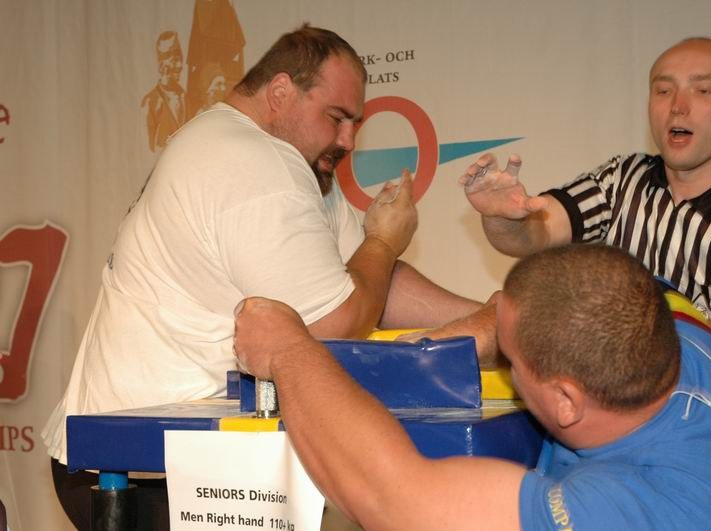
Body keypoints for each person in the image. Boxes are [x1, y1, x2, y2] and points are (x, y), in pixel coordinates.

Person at [43, 24, 482, 530]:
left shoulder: (282, 157)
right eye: (337, 118)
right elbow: (333, 323)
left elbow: (365, 281)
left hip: (174, 458)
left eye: (356, 123)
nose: (348, 139)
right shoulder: (251, 160)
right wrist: (384, 241)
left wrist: (489, 314)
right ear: (280, 92)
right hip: (135, 467)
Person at [233, 244, 711, 529]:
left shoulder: (637, 506)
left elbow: (392, 497)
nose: (501, 357)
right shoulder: (684, 339)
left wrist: (288, 351)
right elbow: (625, 279)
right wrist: (489, 322)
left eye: (512, 358)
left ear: (565, 401)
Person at [451, 36, 711, 452]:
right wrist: (500, 215)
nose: (678, 106)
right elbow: (535, 235)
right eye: (663, 89)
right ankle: (410, 367)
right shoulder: (623, 178)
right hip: (621, 433)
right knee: (506, 308)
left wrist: (619, 341)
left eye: (703, 90)